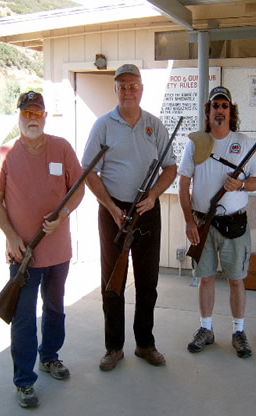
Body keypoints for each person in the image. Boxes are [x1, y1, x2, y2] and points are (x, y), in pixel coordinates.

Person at [0, 91, 84, 408]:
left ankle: (50, 357)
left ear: (45, 116)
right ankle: (24, 381)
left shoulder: (62, 148)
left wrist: (64, 213)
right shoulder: (5, 153)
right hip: (23, 255)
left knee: (55, 308)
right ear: (18, 116)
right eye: (26, 113)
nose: (32, 118)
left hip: (59, 253)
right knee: (24, 319)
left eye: (37, 113)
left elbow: (78, 187)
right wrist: (10, 235)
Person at [82, 64, 177, 371]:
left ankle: (145, 344)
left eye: (133, 86)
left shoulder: (154, 125)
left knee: (148, 281)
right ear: (115, 90)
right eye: (122, 87)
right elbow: (89, 171)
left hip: (146, 210)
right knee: (113, 282)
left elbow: (171, 167)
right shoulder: (103, 125)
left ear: (142, 89)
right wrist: (111, 207)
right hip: (114, 212)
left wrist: (154, 195)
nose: (128, 92)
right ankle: (113, 347)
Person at [178, 86, 256, 359]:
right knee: (205, 278)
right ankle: (206, 328)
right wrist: (189, 221)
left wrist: (240, 185)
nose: (220, 110)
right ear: (208, 111)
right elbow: (183, 184)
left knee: (236, 280)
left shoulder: (243, 142)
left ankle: (239, 331)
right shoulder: (195, 143)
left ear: (230, 111)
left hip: (234, 223)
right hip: (202, 222)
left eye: (224, 105)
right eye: (215, 105)